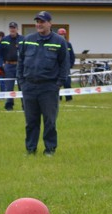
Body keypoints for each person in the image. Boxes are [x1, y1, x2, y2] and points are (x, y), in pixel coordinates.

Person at [17, 11, 69, 156]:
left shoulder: (59, 41)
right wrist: (21, 81)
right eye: (37, 21)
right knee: (31, 121)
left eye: (42, 22)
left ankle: (50, 149)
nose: (39, 24)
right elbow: (20, 62)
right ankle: (30, 149)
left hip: (49, 88)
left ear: (49, 23)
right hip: (29, 86)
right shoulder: (27, 40)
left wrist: (58, 83)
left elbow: (64, 64)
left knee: (49, 121)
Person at [0, 22, 23, 111]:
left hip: (20, 66)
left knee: (22, 86)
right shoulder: (4, 39)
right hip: (8, 66)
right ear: (9, 29)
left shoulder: (23, 39)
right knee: (9, 87)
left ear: (17, 29)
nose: (12, 29)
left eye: (14, 27)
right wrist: (0, 64)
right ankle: (9, 105)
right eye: (11, 28)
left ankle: (25, 105)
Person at [58, 28, 75, 101]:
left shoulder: (68, 44)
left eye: (63, 34)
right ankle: (58, 98)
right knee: (57, 84)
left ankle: (69, 98)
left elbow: (72, 56)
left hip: (66, 67)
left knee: (67, 83)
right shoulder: (56, 44)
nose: (62, 36)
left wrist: (70, 65)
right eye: (60, 34)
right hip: (57, 67)